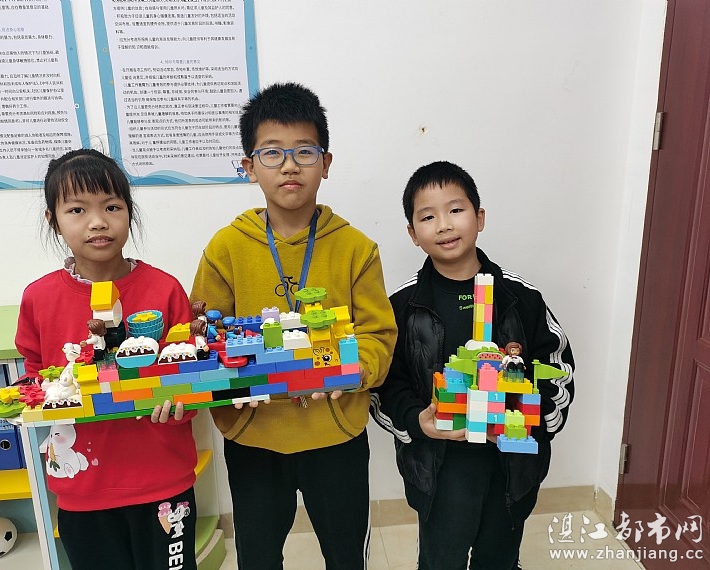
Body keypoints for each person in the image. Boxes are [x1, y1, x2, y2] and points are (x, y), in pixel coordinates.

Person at [190, 82, 397, 570]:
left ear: (326, 163)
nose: (289, 165)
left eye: (305, 151)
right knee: (259, 557)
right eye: (272, 152)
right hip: (254, 434)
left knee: (346, 556)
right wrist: (226, 382)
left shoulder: (356, 249)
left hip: (336, 431)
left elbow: (379, 336)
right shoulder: (226, 249)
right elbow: (203, 337)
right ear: (249, 166)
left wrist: (351, 371)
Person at [370, 161, 575, 570]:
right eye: (428, 216)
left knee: (499, 558)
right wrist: (416, 421)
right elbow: (384, 385)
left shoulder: (521, 297)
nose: (444, 225)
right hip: (439, 468)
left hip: (510, 467)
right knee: (440, 560)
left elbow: (558, 367)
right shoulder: (402, 306)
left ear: (479, 218)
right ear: (413, 233)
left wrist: (529, 422)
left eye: (456, 210)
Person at [15, 148, 198, 570]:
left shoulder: (165, 289)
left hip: (162, 482)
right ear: (53, 220)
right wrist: (36, 397)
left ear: (129, 212)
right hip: (83, 489)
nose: (98, 221)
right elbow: (33, 377)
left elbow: (189, 370)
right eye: (77, 209)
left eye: (112, 207)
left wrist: (182, 406)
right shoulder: (39, 298)